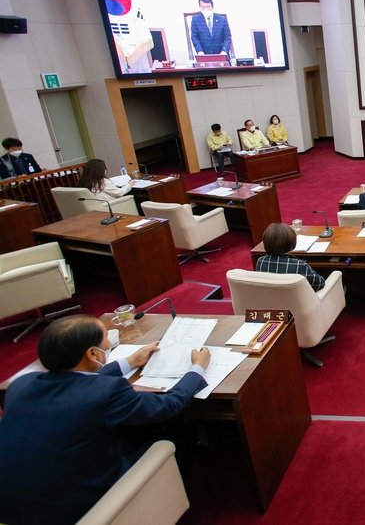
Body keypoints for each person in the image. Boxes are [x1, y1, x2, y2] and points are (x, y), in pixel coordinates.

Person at [0, 315, 209, 525]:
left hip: (12, 508)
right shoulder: (106, 393)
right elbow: (168, 406)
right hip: (73, 507)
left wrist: (129, 362)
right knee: (175, 438)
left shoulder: (21, 385)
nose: (108, 345)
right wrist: (197, 369)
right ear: (92, 353)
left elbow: (76, 381)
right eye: (105, 342)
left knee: (123, 432)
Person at [255, 223, 325, 291]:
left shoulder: (260, 261)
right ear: (291, 243)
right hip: (297, 302)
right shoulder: (300, 265)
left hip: (270, 300)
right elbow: (320, 284)